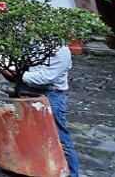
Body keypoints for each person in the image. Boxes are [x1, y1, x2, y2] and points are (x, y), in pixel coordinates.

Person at [5, 45, 80, 177]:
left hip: (51, 94)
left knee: (58, 137)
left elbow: (46, 77)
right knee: (25, 134)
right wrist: (1, 62)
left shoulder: (60, 49)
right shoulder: (28, 42)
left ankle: (72, 173)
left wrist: (17, 74)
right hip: (26, 89)